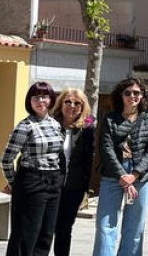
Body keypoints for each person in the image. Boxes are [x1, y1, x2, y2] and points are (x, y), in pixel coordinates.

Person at [93, 78, 148, 256]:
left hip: (140, 177)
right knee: (105, 225)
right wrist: (123, 175)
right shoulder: (110, 119)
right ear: (120, 96)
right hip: (113, 175)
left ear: (142, 96)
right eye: (128, 93)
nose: (132, 96)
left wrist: (134, 175)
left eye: (137, 93)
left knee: (135, 226)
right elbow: (106, 149)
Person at [1, 81, 63, 256]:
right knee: (26, 234)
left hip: (53, 181)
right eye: (36, 97)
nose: (40, 101)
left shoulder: (55, 124)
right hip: (32, 181)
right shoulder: (24, 126)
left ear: (51, 99)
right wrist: (15, 184)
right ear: (30, 101)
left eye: (45, 96)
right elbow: (6, 160)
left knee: (46, 234)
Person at [53, 88, 95, 256]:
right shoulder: (51, 123)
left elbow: (90, 158)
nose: (72, 106)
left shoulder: (88, 126)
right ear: (60, 103)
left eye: (77, 103)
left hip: (74, 186)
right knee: (47, 226)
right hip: (51, 184)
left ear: (83, 106)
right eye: (68, 101)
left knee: (64, 228)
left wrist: (88, 188)